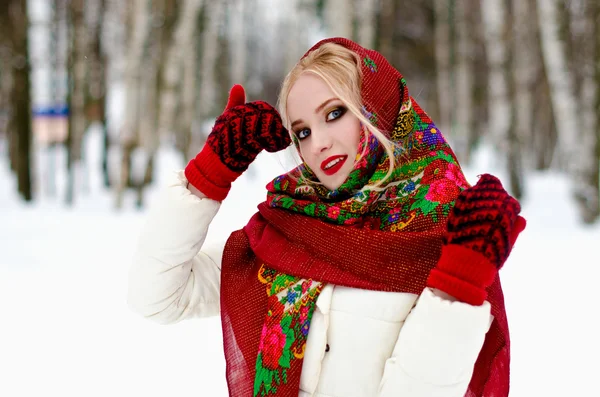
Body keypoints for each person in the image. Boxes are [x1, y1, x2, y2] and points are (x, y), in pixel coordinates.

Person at [128, 37, 526, 397]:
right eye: (301, 131)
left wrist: (458, 285)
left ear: (379, 108)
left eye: (334, 113)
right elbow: (159, 297)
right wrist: (208, 175)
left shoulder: (447, 231)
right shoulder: (288, 225)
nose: (318, 143)